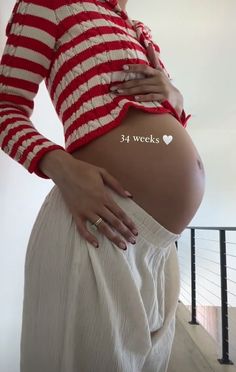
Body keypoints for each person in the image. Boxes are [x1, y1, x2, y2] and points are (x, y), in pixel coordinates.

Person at [0, 0, 205, 371]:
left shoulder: (140, 31)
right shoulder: (48, 5)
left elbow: (162, 138)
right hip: (99, 227)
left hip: (159, 250)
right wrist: (59, 164)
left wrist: (176, 98)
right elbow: (5, 107)